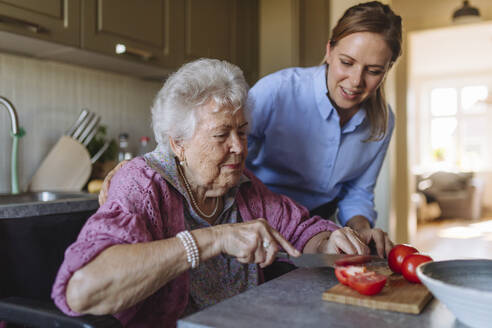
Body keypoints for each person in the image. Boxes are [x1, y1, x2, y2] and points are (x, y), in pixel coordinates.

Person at [51, 58, 369, 327]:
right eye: (221, 135)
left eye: (242, 132)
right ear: (178, 143)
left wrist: (329, 241)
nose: (238, 147)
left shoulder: (242, 185)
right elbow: (83, 291)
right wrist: (212, 239)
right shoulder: (143, 183)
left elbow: (299, 230)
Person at [247, 1, 401, 258]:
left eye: (373, 71)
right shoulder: (276, 92)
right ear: (329, 50)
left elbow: (358, 191)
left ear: (387, 70)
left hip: (320, 228)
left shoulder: (383, 122)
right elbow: (232, 160)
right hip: (260, 218)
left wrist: (361, 229)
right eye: (347, 62)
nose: (355, 81)